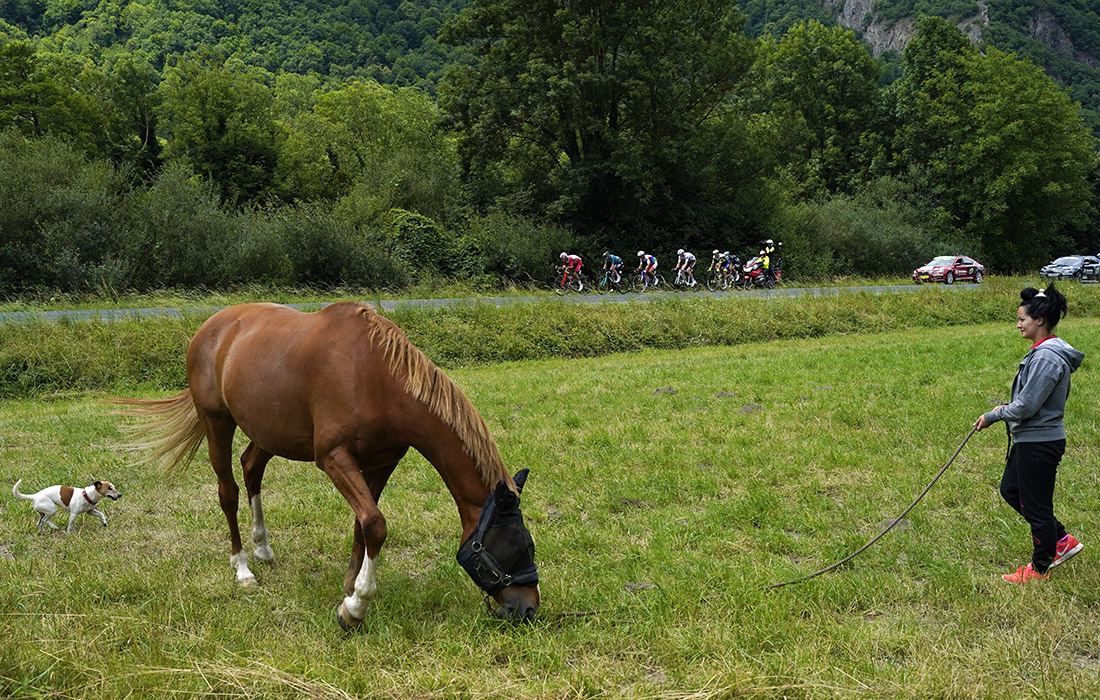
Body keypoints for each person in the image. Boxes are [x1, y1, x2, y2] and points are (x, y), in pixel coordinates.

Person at [973, 283, 1084, 584]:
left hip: (1039, 443)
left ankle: (1040, 567)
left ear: (1040, 320)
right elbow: (1027, 401)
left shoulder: (1047, 357)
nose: (1018, 324)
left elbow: (1026, 406)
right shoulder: (1043, 353)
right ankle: (1061, 540)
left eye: (1022, 319)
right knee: (1011, 490)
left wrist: (993, 415)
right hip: (1029, 440)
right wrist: (1004, 409)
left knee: (1036, 508)